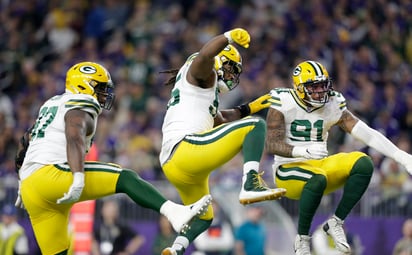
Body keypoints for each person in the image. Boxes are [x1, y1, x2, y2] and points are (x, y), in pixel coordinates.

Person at [14, 61, 212, 255]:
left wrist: (22, 181)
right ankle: (174, 212)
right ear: (85, 85)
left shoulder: (51, 103)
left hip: (31, 189)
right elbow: (74, 133)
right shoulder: (83, 102)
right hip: (52, 175)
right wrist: (77, 176)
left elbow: (25, 141)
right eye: (100, 88)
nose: (103, 95)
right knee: (125, 177)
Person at [159, 28, 286, 255]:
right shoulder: (203, 73)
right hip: (186, 149)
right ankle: (250, 183)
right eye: (230, 68)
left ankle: (177, 248)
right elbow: (205, 56)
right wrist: (227, 37)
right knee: (255, 126)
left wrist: (251, 107)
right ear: (219, 61)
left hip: (174, 165)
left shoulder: (198, 90)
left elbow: (220, 119)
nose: (231, 76)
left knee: (205, 217)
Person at [264, 60, 412, 255]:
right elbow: (271, 143)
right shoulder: (283, 101)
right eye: (313, 87)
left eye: (322, 85)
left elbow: (366, 132)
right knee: (317, 179)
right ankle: (302, 239)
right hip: (288, 171)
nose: (320, 91)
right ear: (299, 88)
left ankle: (335, 222)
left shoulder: (333, 103)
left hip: (319, 166)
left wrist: (401, 157)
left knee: (363, 163)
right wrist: (302, 152)